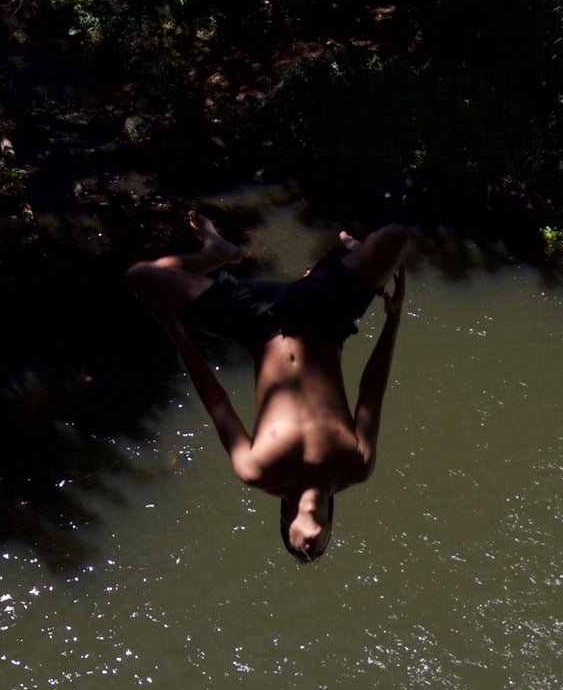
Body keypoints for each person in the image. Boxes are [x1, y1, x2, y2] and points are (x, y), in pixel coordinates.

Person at [127, 212, 409, 562]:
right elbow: (372, 391)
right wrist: (393, 320)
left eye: (297, 549)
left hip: (256, 324)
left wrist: (179, 337)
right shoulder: (355, 466)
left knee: (141, 278)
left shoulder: (257, 471)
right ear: (331, 526)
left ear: (286, 521)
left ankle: (215, 254)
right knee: (395, 236)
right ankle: (355, 257)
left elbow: (218, 403)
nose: (309, 551)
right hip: (325, 320)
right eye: (319, 550)